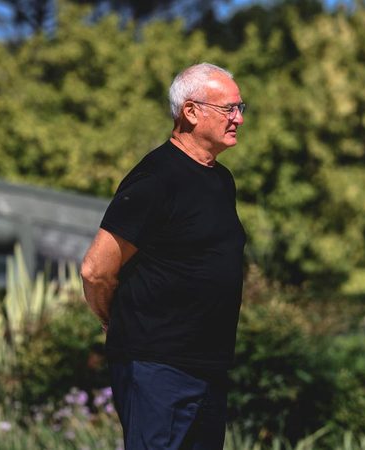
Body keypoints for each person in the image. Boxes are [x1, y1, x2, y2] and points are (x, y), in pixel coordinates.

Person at [80, 62, 247, 450]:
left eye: (241, 108)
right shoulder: (156, 178)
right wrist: (112, 318)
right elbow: (95, 269)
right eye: (229, 109)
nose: (238, 118)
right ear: (190, 112)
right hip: (157, 367)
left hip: (209, 367)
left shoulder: (221, 180)